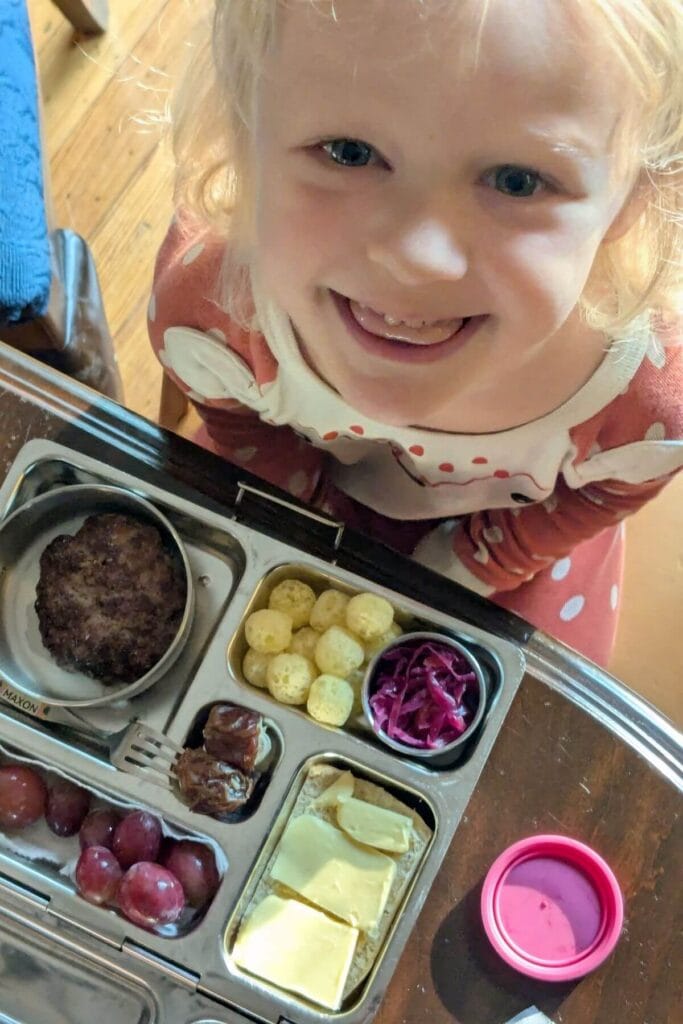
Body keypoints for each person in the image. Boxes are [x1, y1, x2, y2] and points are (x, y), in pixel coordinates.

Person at [149, 0, 682, 666]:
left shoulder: (642, 405)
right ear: (241, 130)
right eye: (349, 152)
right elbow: (238, 426)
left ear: (632, 199)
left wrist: (470, 565)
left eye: (516, 181)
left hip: (515, 542)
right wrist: (295, 505)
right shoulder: (211, 310)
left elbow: (605, 493)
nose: (415, 257)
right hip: (286, 486)